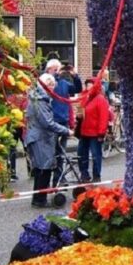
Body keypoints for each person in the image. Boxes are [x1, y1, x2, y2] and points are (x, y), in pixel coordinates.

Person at [25, 73, 74, 208]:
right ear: (45, 85)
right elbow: (47, 123)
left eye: (54, 85)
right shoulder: (40, 100)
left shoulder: (40, 98)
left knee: (42, 169)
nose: (53, 88)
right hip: (40, 139)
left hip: (41, 138)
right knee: (44, 169)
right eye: (51, 85)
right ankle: (39, 200)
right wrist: (66, 130)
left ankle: (39, 198)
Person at [44, 59, 77, 187]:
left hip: (63, 122)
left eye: (58, 69)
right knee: (50, 153)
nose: (57, 72)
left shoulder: (63, 83)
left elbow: (76, 89)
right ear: (49, 70)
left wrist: (74, 75)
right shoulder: (45, 83)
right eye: (55, 70)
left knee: (61, 153)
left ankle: (58, 179)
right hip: (52, 122)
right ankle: (45, 183)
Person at [77, 79, 110, 183]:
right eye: (87, 85)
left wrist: (101, 133)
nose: (88, 87)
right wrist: (78, 117)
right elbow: (81, 112)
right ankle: (84, 174)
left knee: (96, 155)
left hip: (95, 133)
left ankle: (96, 175)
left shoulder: (100, 100)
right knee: (81, 153)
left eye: (90, 85)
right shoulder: (85, 98)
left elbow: (103, 117)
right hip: (84, 131)